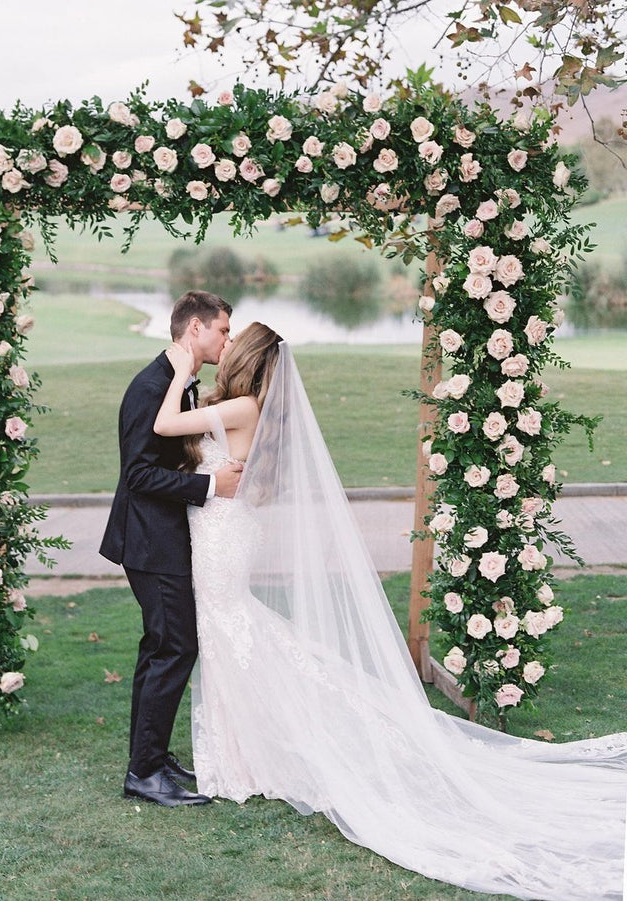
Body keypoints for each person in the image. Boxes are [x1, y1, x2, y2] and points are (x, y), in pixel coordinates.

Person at [153, 322, 627, 901]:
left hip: (222, 539)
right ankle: (243, 756)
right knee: (232, 633)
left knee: (230, 630)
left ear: (245, 358)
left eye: (231, 340)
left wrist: (179, 366)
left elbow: (164, 426)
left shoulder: (244, 405)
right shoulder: (242, 407)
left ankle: (246, 760)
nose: (222, 347)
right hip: (223, 532)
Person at [99, 290, 242, 808]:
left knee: (161, 647)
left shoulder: (176, 384)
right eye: (223, 330)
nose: (228, 338)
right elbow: (137, 475)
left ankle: (152, 758)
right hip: (151, 542)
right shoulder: (149, 387)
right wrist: (209, 489)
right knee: (175, 647)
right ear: (196, 328)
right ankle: (143, 774)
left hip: (167, 538)